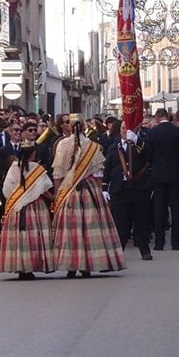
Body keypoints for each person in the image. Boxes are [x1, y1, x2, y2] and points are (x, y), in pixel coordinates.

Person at [50, 115, 125, 277]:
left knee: (70, 229)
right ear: (84, 126)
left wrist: (57, 196)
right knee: (89, 227)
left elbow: (58, 174)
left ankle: (71, 266)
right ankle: (87, 265)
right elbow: (98, 175)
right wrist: (100, 195)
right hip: (89, 190)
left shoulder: (62, 145)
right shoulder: (92, 145)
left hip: (69, 189)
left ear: (69, 126)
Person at [0, 141, 55, 279]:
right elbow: (44, 190)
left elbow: (6, 190)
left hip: (17, 208)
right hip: (35, 208)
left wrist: (18, 198)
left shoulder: (14, 167)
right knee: (34, 236)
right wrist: (55, 198)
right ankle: (33, 264)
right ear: (33, 153)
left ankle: (20, 267)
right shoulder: (37, 168)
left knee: (19, 237)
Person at [103, 120, 154, 260]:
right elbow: (107, 168)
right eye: (123, 128)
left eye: (128, 128)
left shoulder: (140, 143)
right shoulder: (114, 146)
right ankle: (119, 254)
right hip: (120, 189)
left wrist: (136, 140)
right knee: (121, 223)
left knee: (141, 221)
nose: (125, 131)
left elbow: (148, 154)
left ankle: (145, 250)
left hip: (139, 188)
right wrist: (104, 188)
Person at [146, 108, 179, 250]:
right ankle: (176, 242)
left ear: (157, 118)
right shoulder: (178, 132)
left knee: (159, 210)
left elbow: (148, 155)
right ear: (168, 117)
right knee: (176, 209)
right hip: (175, 174)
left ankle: (159, 243)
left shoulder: (152, 133)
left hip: (158, 175)